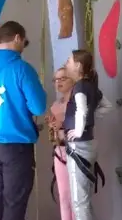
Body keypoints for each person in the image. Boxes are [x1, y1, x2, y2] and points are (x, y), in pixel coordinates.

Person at [0, 21, 47, 220]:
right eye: (24, 41)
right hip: (16, 147)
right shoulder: (21, 69)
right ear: (17, 38)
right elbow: (39, 107)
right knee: (14, 204)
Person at [63, 49, 110, 220]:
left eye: (69, 61)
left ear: (78, 65)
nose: (66, 63)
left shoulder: (81, 86)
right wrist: (90, 118)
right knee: (85, 198)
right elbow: (106, 106)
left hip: (79, 146)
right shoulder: (92, 87)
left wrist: (79, 128)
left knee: (79, 201)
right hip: (88, 144)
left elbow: (82, 109)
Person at [48, 67, 75, 220]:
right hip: (60, 151)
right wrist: (52, 128)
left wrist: (62, 124)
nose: (58, 82)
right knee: (64, 196)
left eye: (62, 78)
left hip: (77, 151)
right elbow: (52, 137)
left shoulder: (79, 102)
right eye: (55, 80)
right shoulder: (55, 106)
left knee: (77, 197)